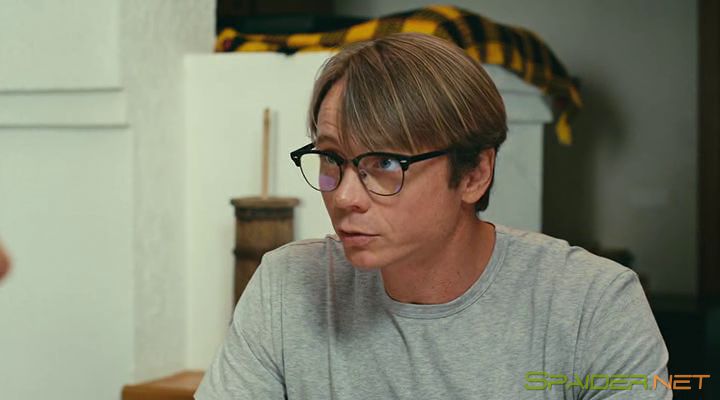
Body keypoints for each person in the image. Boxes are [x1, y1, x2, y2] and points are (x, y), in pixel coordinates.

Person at [196, 33, 670, 399]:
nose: (344, 196)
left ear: (474, 174)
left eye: (385, 162)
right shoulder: (286, 286)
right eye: (332, 159)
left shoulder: (593, 305)